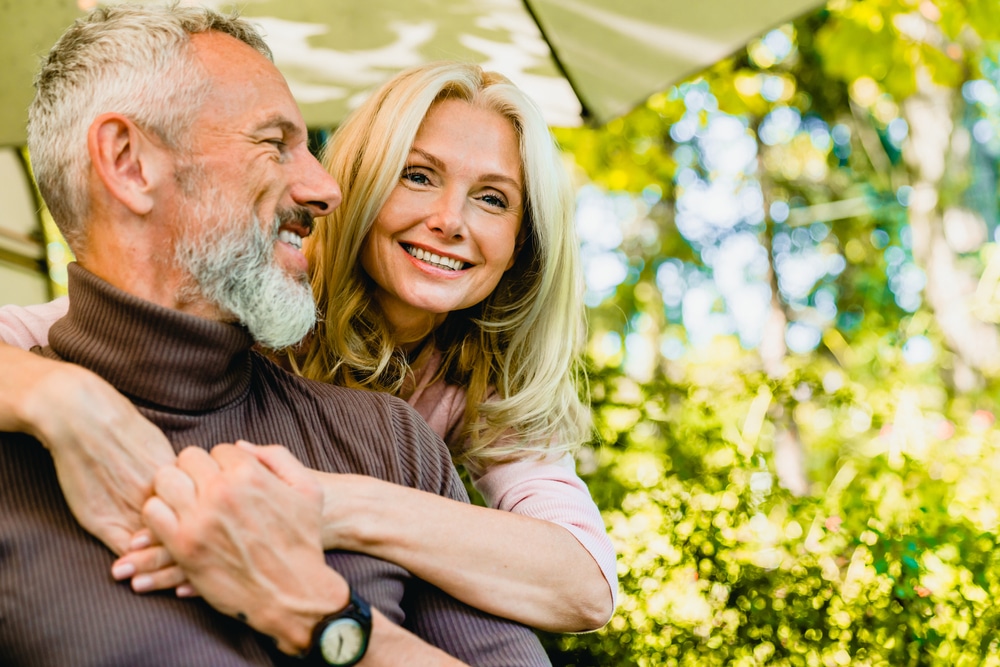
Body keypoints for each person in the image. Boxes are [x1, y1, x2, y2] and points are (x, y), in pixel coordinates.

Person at [0, 34, 615, 636]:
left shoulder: (477, 383)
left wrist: (321, 505)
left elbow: (583, 585)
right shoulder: (254, 285)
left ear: (521, 247)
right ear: (357, 184)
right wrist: (69, 404)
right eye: (419, 177)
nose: (449, 222)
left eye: (491, 198)